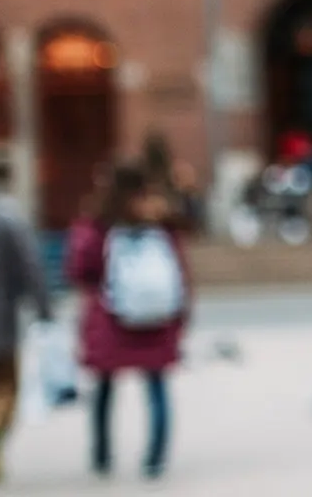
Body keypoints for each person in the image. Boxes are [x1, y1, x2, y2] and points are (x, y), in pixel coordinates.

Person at [65, 165, 190, 482]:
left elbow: (80, 268)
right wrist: (180, 317)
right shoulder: (161, 220)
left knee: (105, 389)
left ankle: (102, 454)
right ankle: (155, 458)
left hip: (111, 317)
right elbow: (180, 273)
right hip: (157, 319)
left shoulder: (98, 221)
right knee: (157, 386)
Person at [0, 141, 55, 486]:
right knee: (3, 389)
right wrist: (43, 309)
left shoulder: (5, 217)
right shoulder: (5, 217)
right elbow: (30, 266)